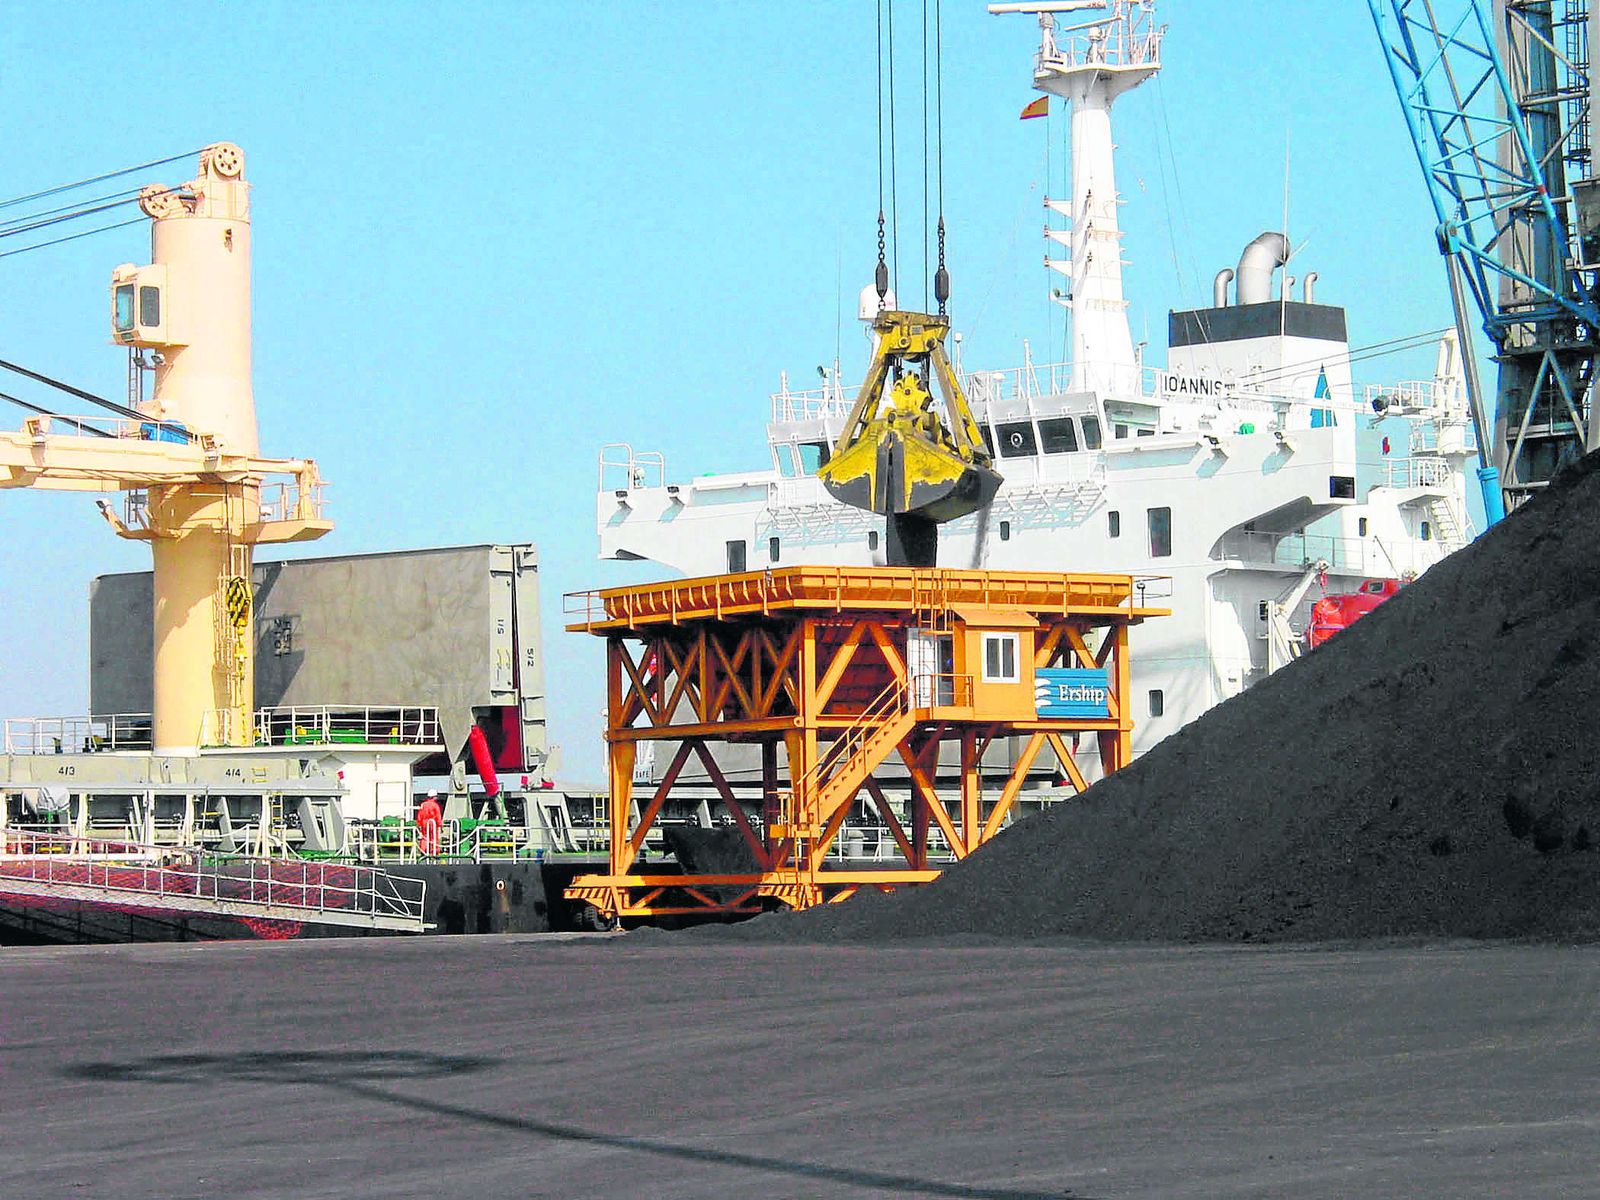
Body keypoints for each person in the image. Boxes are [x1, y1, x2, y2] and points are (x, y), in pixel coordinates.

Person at [416, 791, 443, 857]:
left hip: (424, 822)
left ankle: (423, 851)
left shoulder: (423, 804)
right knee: (434, 837)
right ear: (434, 797)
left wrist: (419, 823)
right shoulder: (435, 805)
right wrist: (440, 825)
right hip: (432, 822)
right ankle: (434, 852)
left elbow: (420, 815)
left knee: (424, 837)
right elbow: (438, 815)